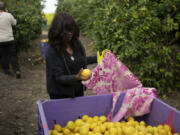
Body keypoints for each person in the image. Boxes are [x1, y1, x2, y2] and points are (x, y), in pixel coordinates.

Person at [46, 12, 97, 99]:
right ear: (58, 31)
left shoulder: (76, 44)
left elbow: (80, 60)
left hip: (77, 91)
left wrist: (97, 58)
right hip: (60, 94)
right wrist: (76, 78)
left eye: (71, 29)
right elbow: (59, 77)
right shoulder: (52, 50)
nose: (70, 33)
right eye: (66, 30)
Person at [0, 2, 21, 78]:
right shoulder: (9, 15)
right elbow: (14, 24)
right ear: (4, 8)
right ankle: (16, 70)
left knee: (3, 56)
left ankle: (7, 70)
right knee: (13, 56)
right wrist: (7, 13)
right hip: (9, 39)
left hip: (0, 40)